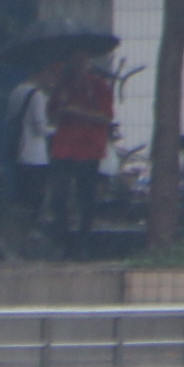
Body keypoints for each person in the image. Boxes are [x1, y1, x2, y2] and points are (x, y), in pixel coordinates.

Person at [54, 56, 114, 243]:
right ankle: (63, 239)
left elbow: (106, 116)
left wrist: (78, 112)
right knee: (59, 195)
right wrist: (61, 104)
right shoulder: (63, 85)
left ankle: (84, 242)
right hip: (64, 147)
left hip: (89, 147)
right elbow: (52, 116)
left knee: (86, 196)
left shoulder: (98, 86)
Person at [12, 56, 58, 246]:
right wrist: (58, 129)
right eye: (50, 73)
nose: (52, 78)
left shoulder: (16, 91)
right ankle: (31, 236)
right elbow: (41, 128)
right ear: (41, 73)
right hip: (36, 155)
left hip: (19, 150)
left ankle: (19, 233)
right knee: (35, 198)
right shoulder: (37, 95)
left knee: (22, 197)